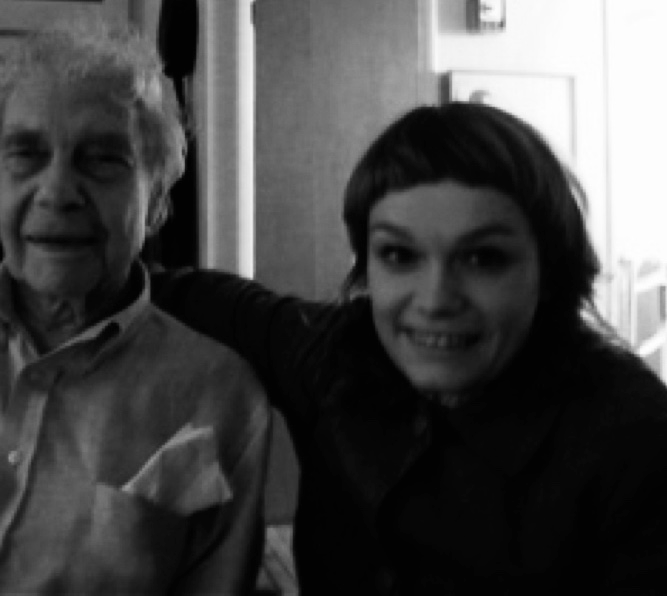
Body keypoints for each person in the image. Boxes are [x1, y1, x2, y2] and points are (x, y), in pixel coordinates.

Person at [0, 18, 270, 595]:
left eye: (103, 159)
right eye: (27, 154)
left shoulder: (220, 400)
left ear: (158, 199)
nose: (58, 192)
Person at [153, 102, 667, 594]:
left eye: (484, 258)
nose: (436, 299)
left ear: (549, 271)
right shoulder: (333, 355)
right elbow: (186, 295)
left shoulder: (633, 434)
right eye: (399, 255)